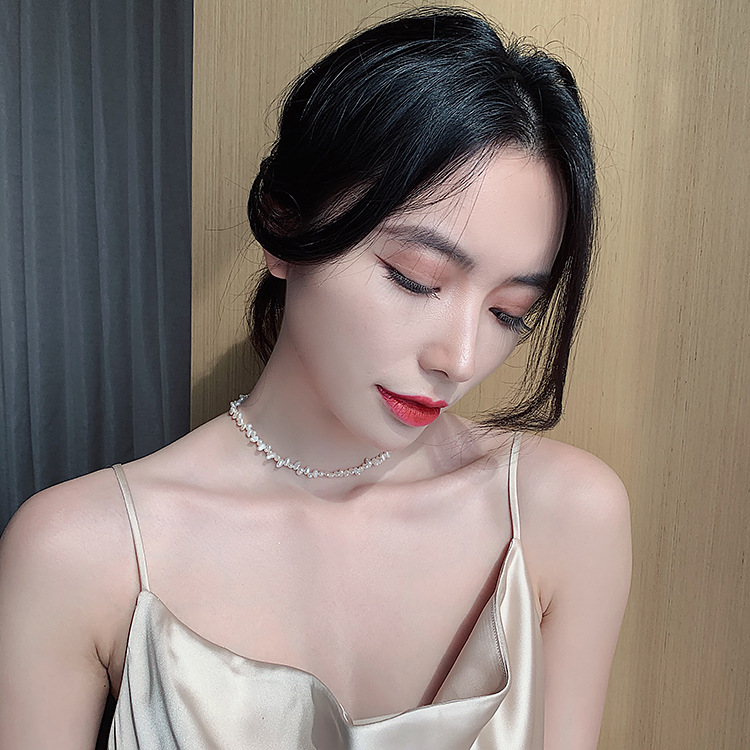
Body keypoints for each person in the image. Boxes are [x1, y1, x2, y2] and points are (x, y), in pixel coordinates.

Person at [0, 7, 631, 750]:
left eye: (507, 312)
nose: (459, 359)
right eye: (415, 277)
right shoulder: (81, 553)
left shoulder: (564, 517)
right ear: (284, 224)